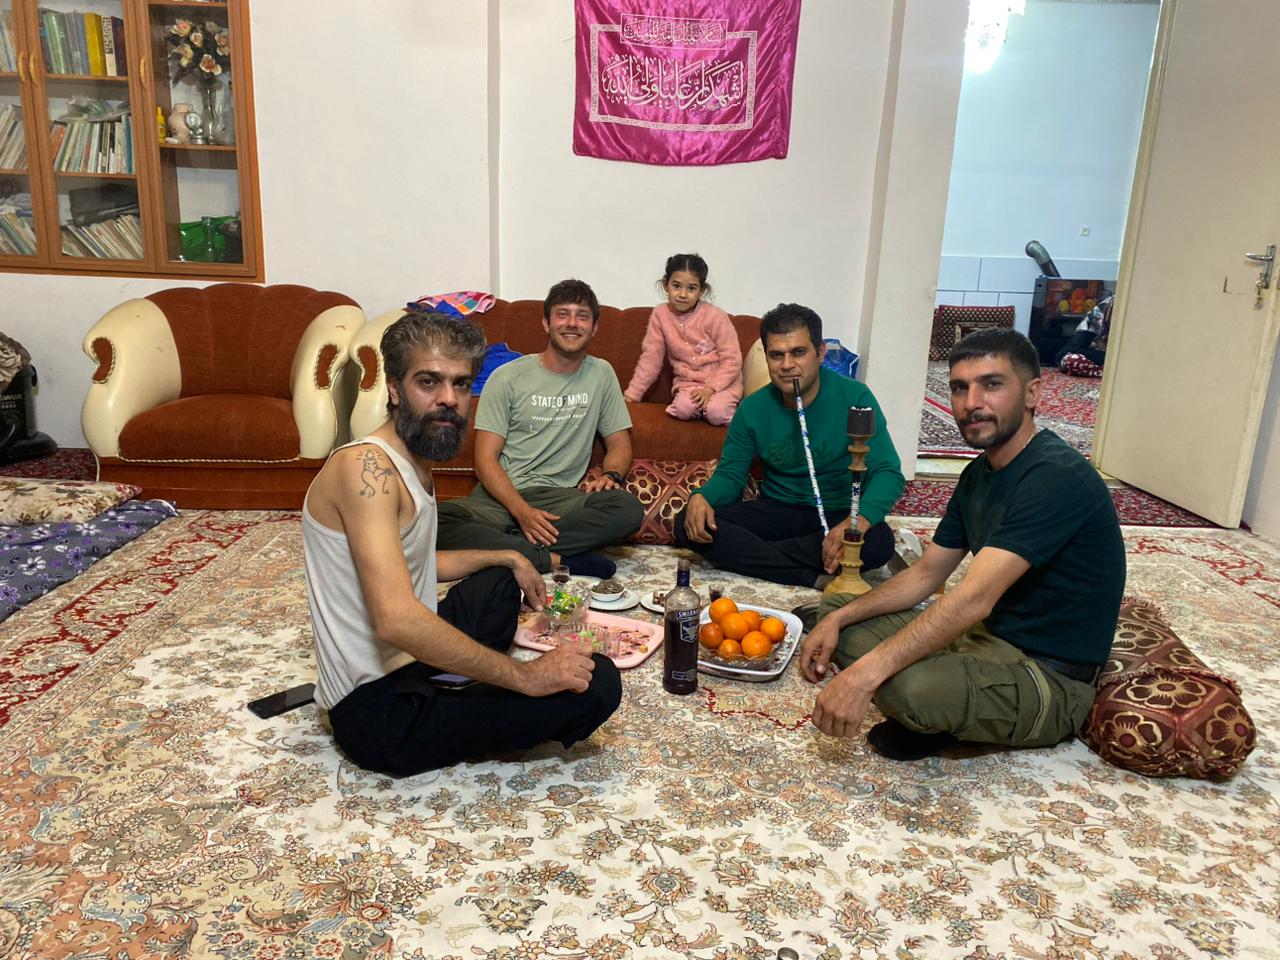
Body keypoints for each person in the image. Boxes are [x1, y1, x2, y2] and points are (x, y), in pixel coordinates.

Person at [302, 309, 621, 777]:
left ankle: (459, 677)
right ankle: (467, 688)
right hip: (377, 711)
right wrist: (525, 676)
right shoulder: (366, 471)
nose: (448, 399)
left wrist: (508, 555)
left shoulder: (413, 458)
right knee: (598, 684)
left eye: (461, 384)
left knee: (499, 578)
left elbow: (410, 561)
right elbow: (396, 620)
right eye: (428, 382)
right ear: (394, 388)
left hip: (412, 662)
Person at [800, 328, 1125, 761]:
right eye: (959, 387)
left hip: (1048, 677)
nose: (972, 402)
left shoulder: (1054, 476)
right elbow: (924, 574)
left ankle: (940, 714)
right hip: (983, 641)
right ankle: (946, 704)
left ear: (1032, 393)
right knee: (835, 611)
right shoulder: (978, 474)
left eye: (991, 384)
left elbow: (972, 600)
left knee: (908, 687)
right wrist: (840, 618)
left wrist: (864, 676)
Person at [674, 303, 905, 588]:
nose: (786, 365)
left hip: (838, 512)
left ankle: (761, 557)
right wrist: (702, 497)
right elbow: (731, 476)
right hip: (779, 511)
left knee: (879, 542)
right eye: (776, 355)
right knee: (688, 523)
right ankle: (809, 576)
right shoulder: (752, 409)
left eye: (798, 352)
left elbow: (888, 472)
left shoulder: (856, 397)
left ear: (820, 353)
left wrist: (856, 523)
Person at [437, 279, 643, 580]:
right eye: (562, 314)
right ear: (546, 323)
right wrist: (522, 513)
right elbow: (484, 461)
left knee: (627, 510)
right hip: (501, 499)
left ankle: (509, 548)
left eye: (582, 316)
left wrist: (611, 475)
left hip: (560, 500)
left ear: (594, 327)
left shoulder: (602, 374)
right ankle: (553, 558)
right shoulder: (507, 377)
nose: (572, 323)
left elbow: (620, 443)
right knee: (435, 522)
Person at [623, 253, 743, 426]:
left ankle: (725, 414)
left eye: (691, 288)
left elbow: (732, 360)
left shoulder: (715, 316)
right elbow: (651, 359)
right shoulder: (660, 315)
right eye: (676, 286)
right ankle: (701, 409)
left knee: (716, 413)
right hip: (689, 384)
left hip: (722, 384)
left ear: (702, 291)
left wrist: (711, 389)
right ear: (666, 285)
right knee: (682, 409)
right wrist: (631, 396)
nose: (683, 294)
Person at [1054, 295, 1112, 377]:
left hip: (1111, 355)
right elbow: (1074, 346)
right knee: (1071, 358)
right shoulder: (1103, 309)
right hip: (1095, 348)